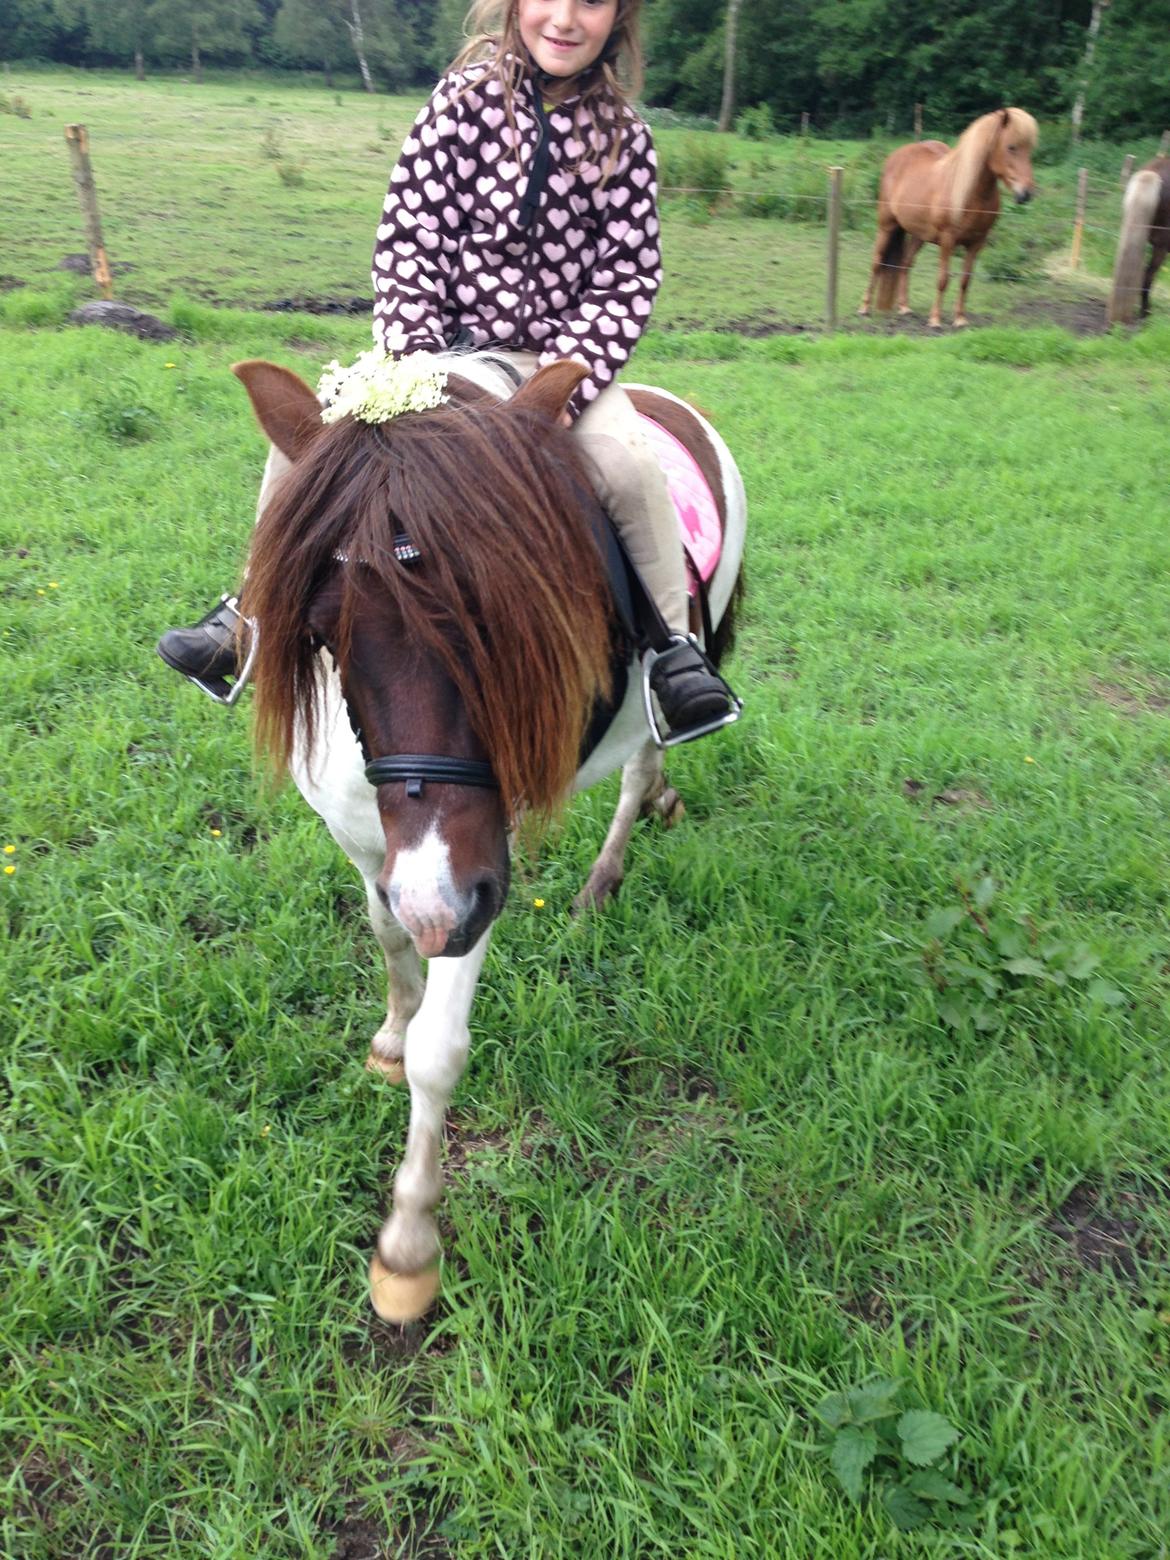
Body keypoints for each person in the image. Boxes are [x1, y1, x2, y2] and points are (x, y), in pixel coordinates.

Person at [157, 0, 734, 738]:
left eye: (590, 0)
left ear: (619, 15)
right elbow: (410, 238)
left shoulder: (625, 138)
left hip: (554, 360)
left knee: (626, 463)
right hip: (434, 352)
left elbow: (626, 279)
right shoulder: (460, 104)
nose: (565, 18)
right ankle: (250, 617)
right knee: (306, 442)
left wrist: (571, 379)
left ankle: (672, 653)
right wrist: (414, 361)